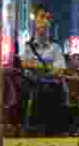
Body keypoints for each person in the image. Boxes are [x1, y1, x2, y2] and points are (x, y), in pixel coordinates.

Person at [19, 8, 67, 136]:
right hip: (33, 93)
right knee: (32, 131)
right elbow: (24, 64)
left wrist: (35, 67)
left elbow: (60, 71)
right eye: (41, 18)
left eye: (47, 19)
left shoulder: (55, 47)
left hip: (52, 94)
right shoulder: (28, 46)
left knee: (52, 131)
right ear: (35, 26)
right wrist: (48, 67)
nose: (43, 24)